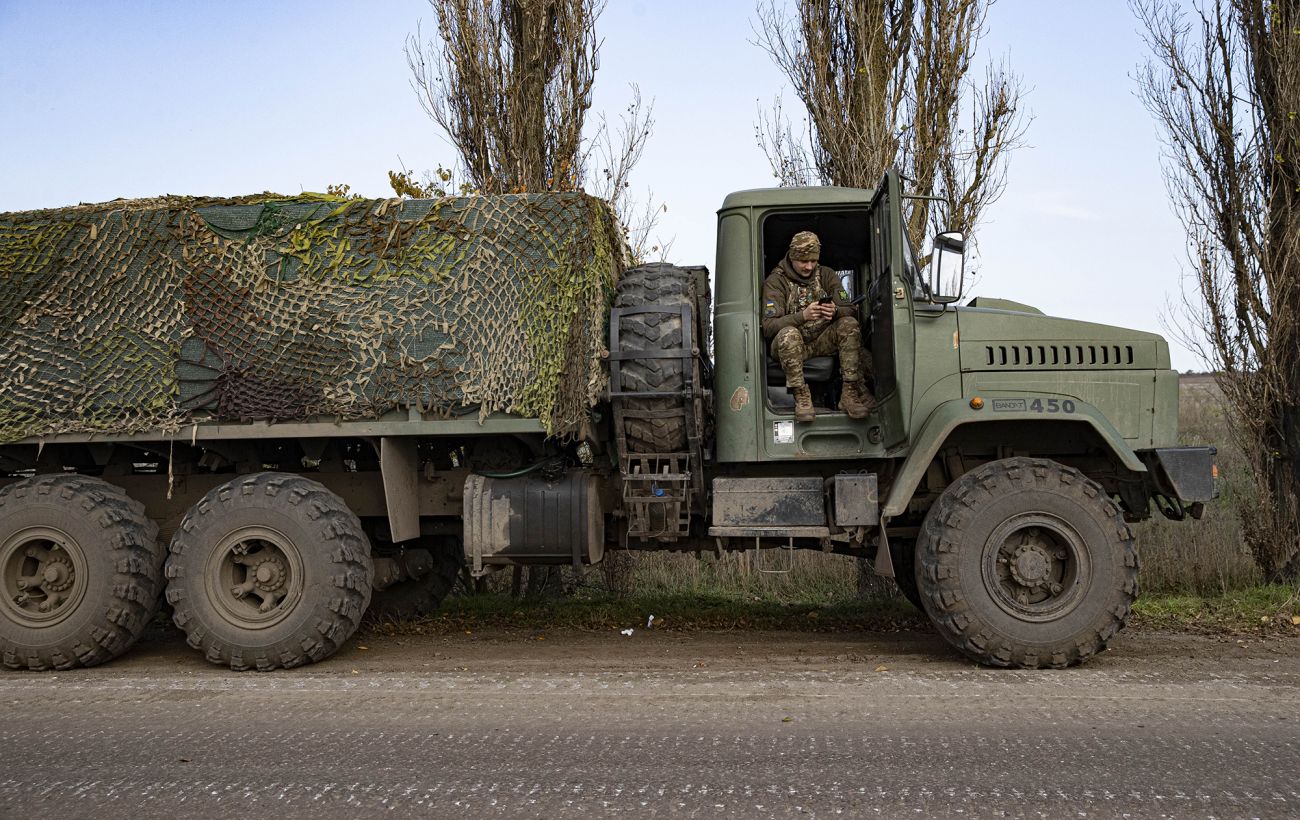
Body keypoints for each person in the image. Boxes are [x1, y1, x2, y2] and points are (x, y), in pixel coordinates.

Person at [761, 231, 874, 422]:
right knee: (789, 334)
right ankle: (801, 397)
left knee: (849, 324)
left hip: (820, 341)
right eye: (803, 261)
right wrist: (803, 316)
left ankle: (850, 393)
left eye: (813, 261)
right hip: (787, 347)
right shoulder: (776, 281)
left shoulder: (827, 275)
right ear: (792, 257)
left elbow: (850, 308)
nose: (809, 266)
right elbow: (769, 327)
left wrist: (835, 311)